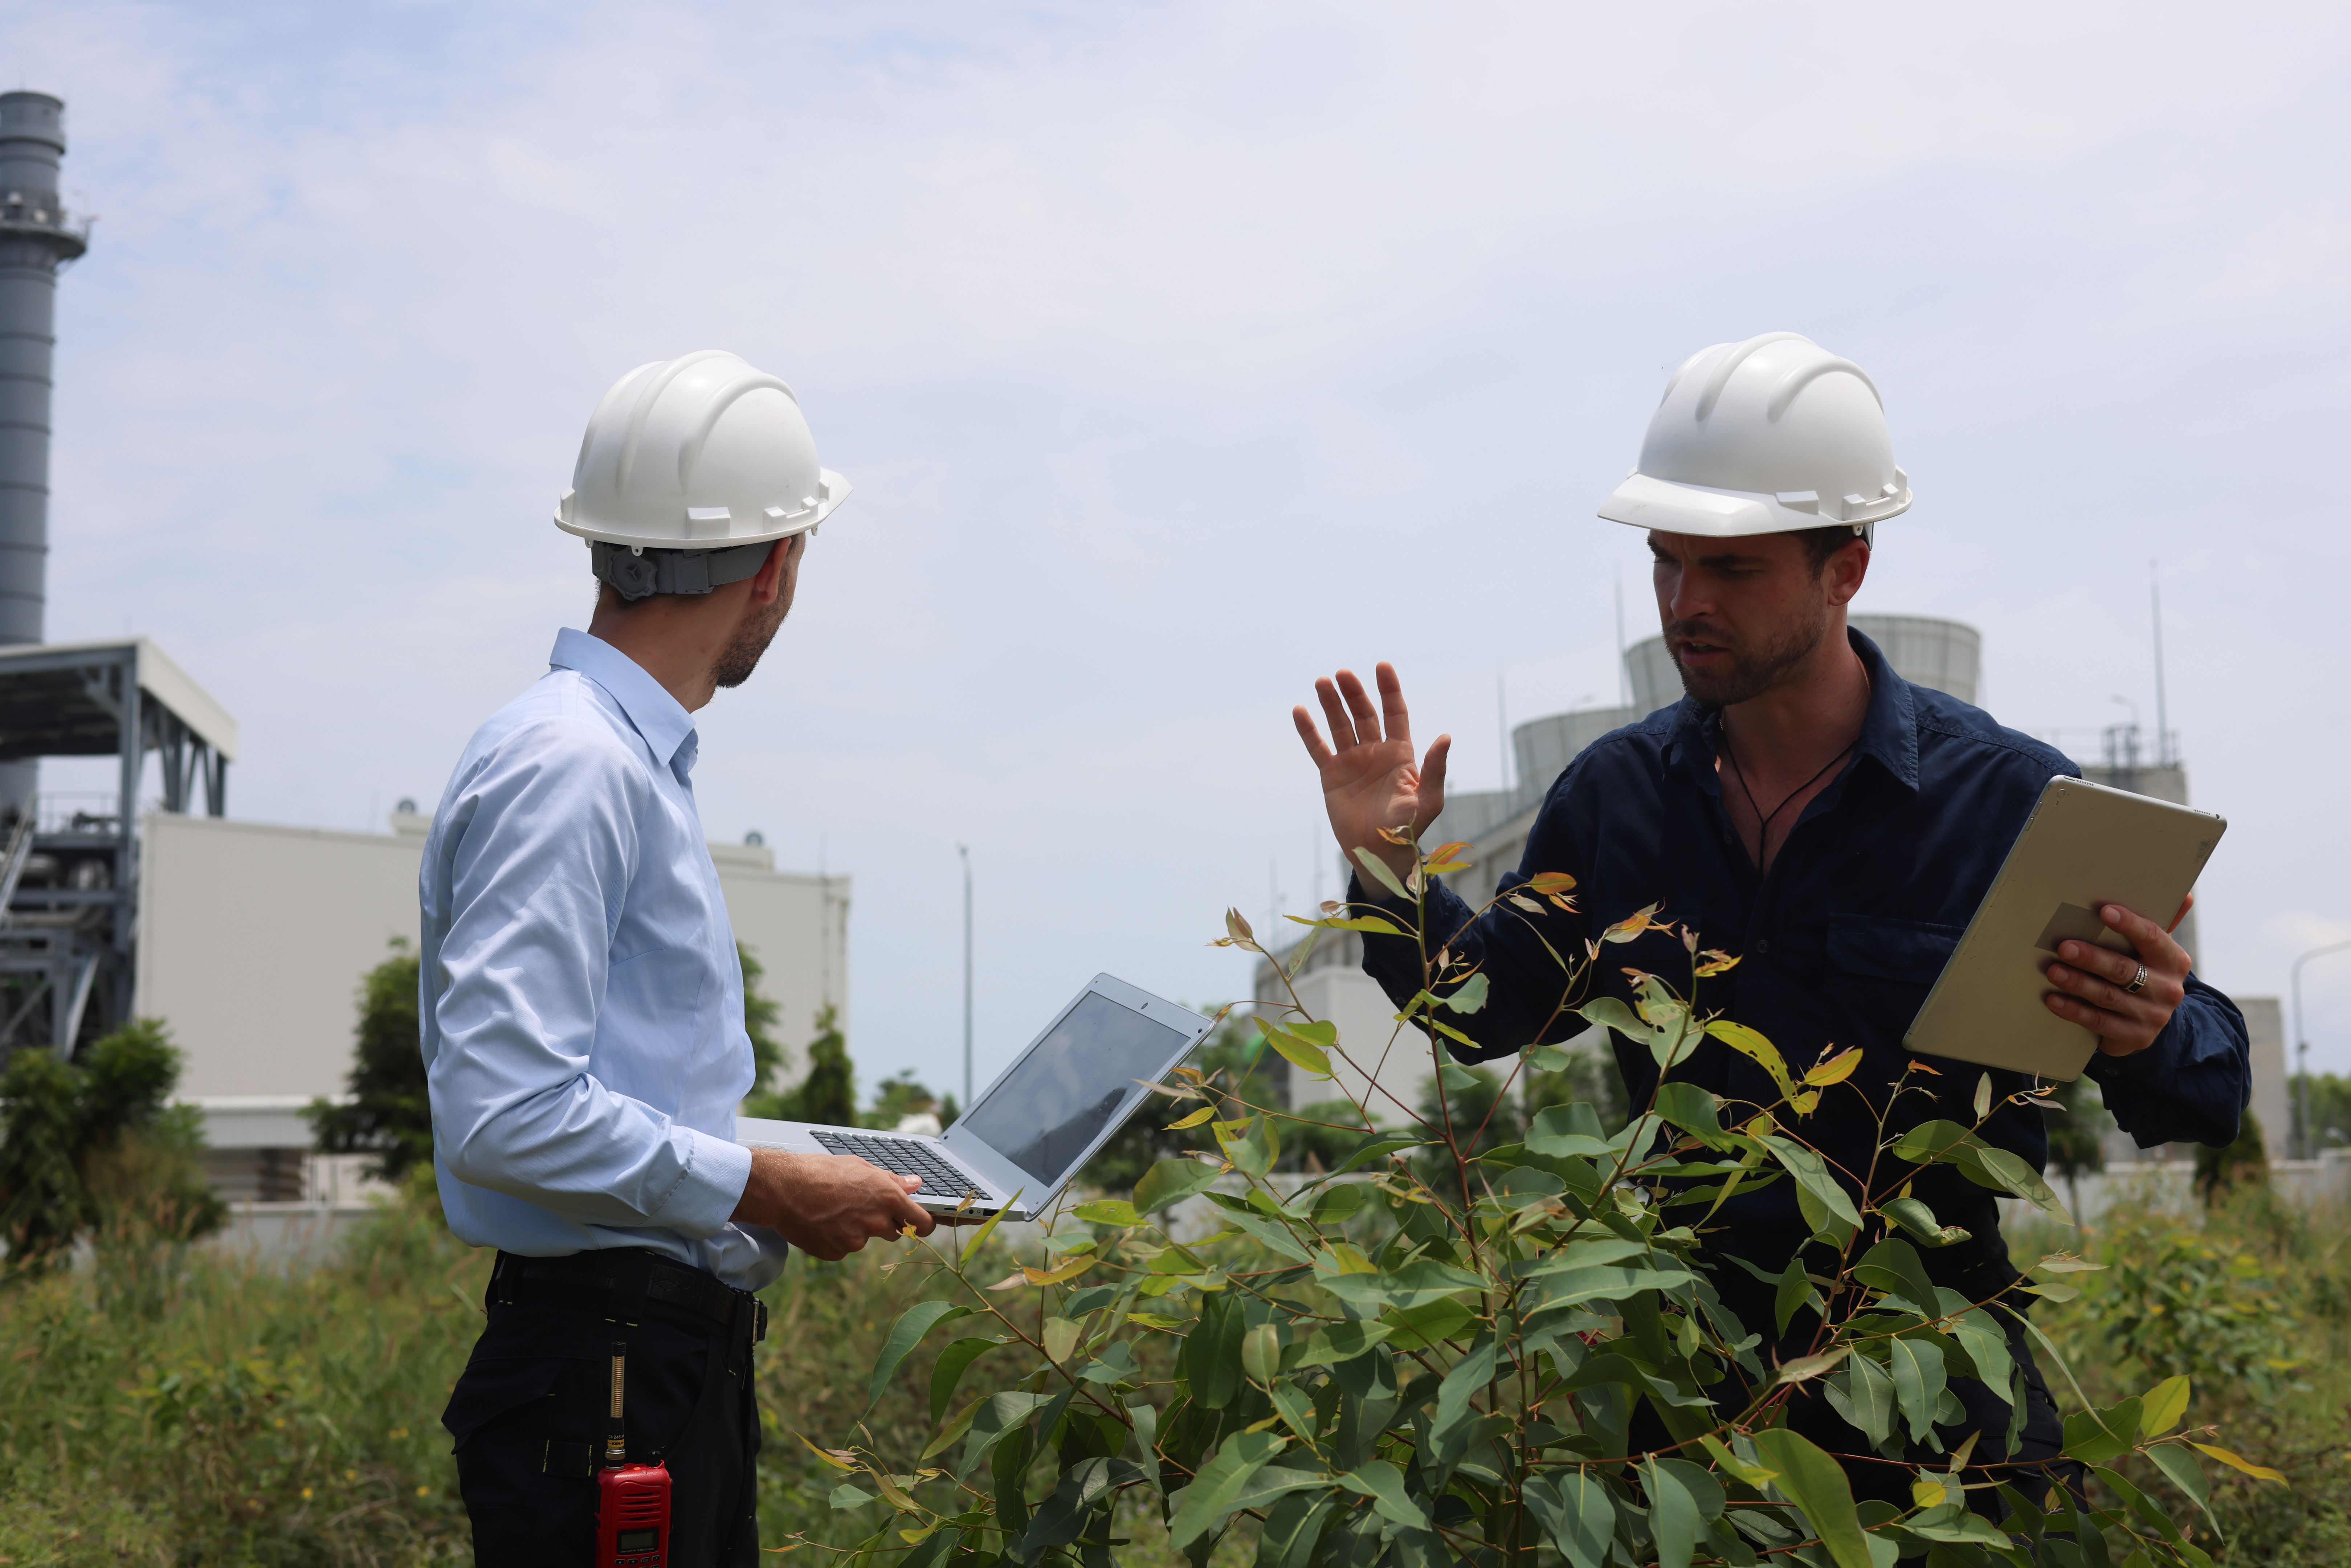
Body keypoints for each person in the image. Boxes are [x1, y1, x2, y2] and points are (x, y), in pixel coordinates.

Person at [1290, 332, 2249, 1508]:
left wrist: (2152, 1025)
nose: (1684, 605)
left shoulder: (2007, 803)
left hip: (1941, 1403)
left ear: (1845, 569)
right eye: (1665, 564)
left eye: (1731, 571)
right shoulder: (1615, 799)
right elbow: (1482, 1012)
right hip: (1690, 1408)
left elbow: (2207, 1094)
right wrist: (1387, 870)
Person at [422, 351, 942, 1566]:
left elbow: (603, 1088)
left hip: (637, 1364)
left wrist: (767, 1161)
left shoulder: (609, 756)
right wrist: (766, 1185)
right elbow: (504, 1116)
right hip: (604, 1372)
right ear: (777, 567)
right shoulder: (577, 768)